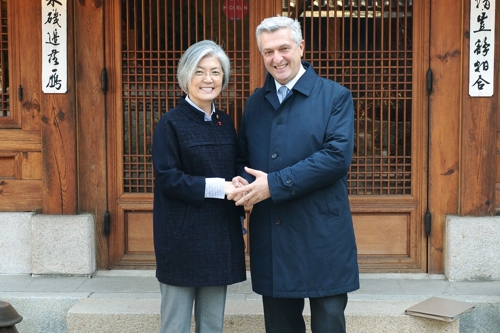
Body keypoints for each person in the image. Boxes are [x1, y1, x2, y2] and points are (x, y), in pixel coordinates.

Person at [227, 16, 359, 333]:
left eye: (284, 48)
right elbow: (243, 158)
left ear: (300, 47)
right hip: (273, 234)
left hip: (323, 236)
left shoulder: (335, 97)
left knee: (328, 321)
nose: (277, 58)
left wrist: (273, 184)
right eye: (268, 51)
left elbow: (335, 158)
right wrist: (240, 182)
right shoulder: (255, 103)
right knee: (280, 325)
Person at [152, 40, 246, 333]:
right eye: (200, 72)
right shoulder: (171, 123)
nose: (208, 79)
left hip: (218, 234)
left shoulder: (226, 122)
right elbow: (168, 178)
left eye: (216, 72)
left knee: (212, 325)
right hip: (180, 236)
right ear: (186, 78)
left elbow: (235, 166)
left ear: (224, 78)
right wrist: (221, 187)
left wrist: (241, 181)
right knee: (175, 326)